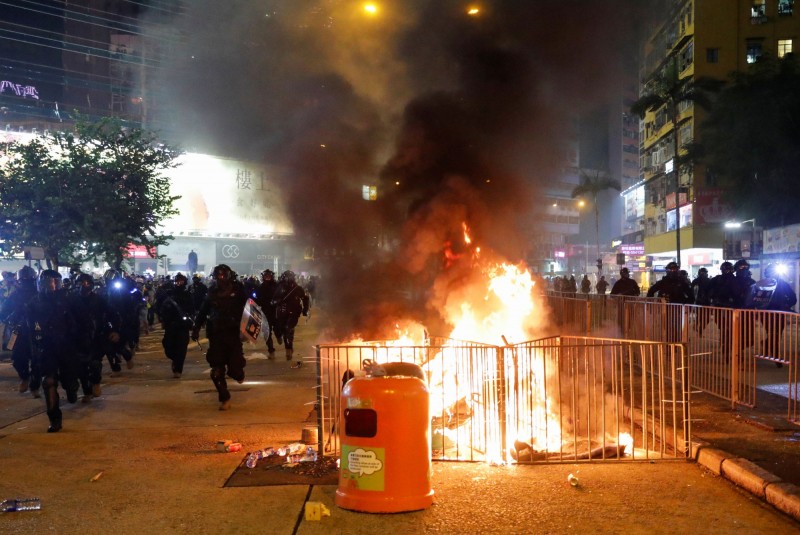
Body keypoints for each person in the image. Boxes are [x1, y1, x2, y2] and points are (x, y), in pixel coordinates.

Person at [24, 270, 80, 432]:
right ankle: (54, 418)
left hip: (67, 346)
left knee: (69, 381)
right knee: (48, 382)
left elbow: (80, 322)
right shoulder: (33, 303)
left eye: (54, 282)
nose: (51, 285)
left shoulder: (68, 300)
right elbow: (30, 329)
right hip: (46, 348)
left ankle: (72, 388)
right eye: (47, 282)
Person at [192, 264, 248, 410]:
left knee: (235, 371)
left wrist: (247, 330)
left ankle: (239, 373)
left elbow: (250, 309)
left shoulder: (239, 290)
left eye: (223, 276)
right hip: (216, 335)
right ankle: (225, 398)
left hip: (233, 335)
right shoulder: (212, 293)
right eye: (218, 277)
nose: (220, 279)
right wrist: (196, 327)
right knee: (216, 371)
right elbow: (203, 311)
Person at [71, 273, 117, 401]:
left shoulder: (99, 299)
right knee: (81, 367)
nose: (84, 286)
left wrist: (114, 330)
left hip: (96, 336)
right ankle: (87, 392)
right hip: (78, 338)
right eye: (81, 283)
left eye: (87, 283)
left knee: (95, 363)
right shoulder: (72, 300)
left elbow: (111, 314)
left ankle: (96, 383)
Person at [744, 263, 797, 367]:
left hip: (772, 313)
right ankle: (776, 356)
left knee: (775, 334)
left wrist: (786, 305)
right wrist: (786, 305)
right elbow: (792, 299)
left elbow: (792, 298)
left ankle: (769, 345)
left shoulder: (766, 284)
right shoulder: (768, 284)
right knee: (775, 334)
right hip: (771, 313)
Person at [1, 266, 40, 395]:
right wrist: (10, 317)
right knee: (18, 358)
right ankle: (25, 377)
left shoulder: (39, 293)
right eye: (24, 280)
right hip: (19, 331)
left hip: (37, 330)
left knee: (38, 359)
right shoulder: (15, 295)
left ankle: (35, 385)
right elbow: (4, 311)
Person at [159, 273, 195, 378]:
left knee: (181, 348)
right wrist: (162, 318)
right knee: (168, 346)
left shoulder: (188, 295)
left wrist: (192, 321)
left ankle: (178, 369)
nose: (179, 283)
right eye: (177, 281)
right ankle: (175, 359)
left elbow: (192, 309)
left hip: (183, 326)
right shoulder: (169, 294)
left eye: (181, 281)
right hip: (170, 325)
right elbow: (160, 306)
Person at [271, 270, 309, 361]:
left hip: (294, 312)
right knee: (282, 330)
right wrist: (277, 301)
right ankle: (286, 346)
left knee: (289, 329)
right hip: (282, 312)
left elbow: (305, 298)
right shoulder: (279, 287)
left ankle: (289, 349)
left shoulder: (298, 288)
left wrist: (305, 310)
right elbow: (273, 299)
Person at [254, 269, 279, 359]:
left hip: (275, 312)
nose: (267, 278)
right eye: (266, 276)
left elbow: (281, 296)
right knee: (267, 332)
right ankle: (271, 349)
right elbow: (257, 298)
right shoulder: (260, 287)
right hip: (265, 313)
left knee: (278, 329)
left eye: (269, 276)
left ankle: (279, 336)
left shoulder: (277, 286)